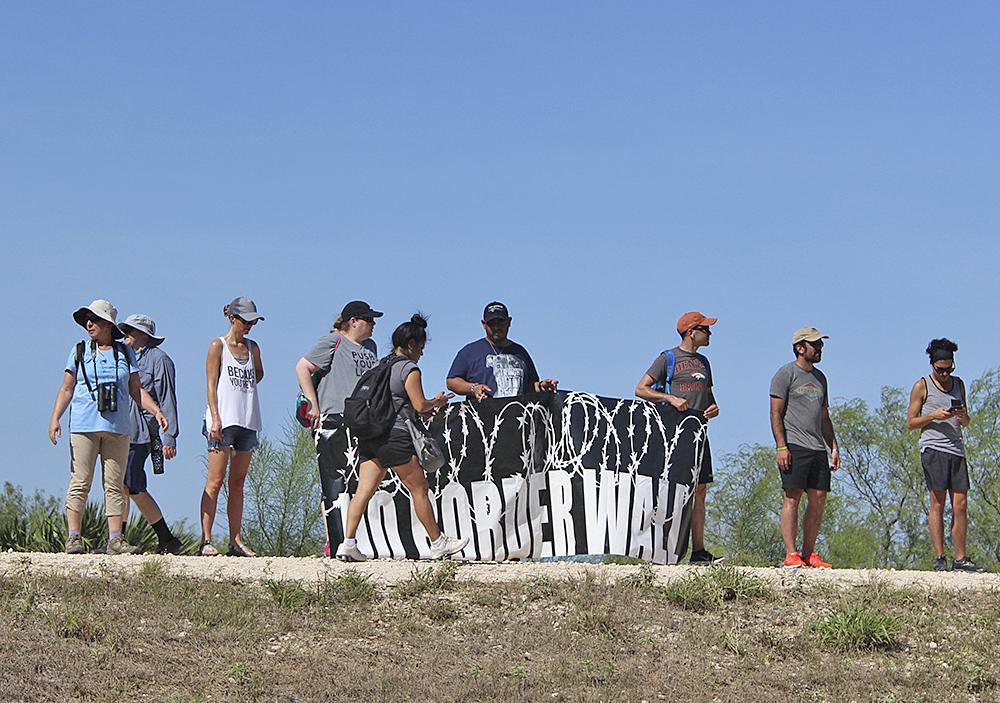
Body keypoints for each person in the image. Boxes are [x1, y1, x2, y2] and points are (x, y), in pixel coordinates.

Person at [338, 314, 469, 562]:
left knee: (363, 491)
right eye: (420, 347)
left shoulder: (381, 365)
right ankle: (438, 542)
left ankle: (348, 543)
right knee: (419, 487)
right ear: (411, 344)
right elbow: (420, 406)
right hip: (395, 436)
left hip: (371, 434)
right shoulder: (409, 369)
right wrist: (438, 402)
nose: (421, 353)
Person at [48, 300, 169, 555]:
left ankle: (116, 539)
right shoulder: (79, 350)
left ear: (108, 325)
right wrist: (55, 417)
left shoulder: (124, 353)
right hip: (83, 425)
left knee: (114, 483)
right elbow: (67, 388)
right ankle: (74, 538)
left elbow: (136, 389)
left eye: (94, 319)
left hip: (118, 427)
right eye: (87, 320)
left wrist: (156, 411)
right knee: (81, 480)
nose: (89, 324)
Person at [295, 301, 381, 557]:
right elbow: (303, 366)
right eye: (369, 319)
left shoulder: (371, 347)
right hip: (334, 418)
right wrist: (313, 404)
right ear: (353, 321)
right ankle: (335, 541)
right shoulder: (334, 341)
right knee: (335, 483)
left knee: (362, 482)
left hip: (364, 420)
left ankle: (356, 540)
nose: (373, 324)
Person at [635, 312, 721, 566]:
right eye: (705, 329)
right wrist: (670, 399)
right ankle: (660, 550)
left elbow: (709, 395)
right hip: (674, 437)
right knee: (669, 490)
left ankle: (698, 552)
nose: (710, 333)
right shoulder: (668, 358)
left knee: (700, 491)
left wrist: (714, 408)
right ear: (691, 332)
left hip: (700, 434)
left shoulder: (704, 362)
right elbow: (641, 389)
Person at [905, 339, 986, 573]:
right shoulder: (922, 386)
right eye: (941, 369)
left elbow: (967, 421)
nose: (945, 373)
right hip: (933, 449)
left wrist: (961, 416)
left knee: (960, 504)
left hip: (956, 448)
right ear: (932, 366)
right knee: (937, 503)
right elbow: (911, 423)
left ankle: (960, 559)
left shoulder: (959, 384)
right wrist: (932, 416)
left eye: (949, 369)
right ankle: (940, 556)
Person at [769, 327, 840, 569]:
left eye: (820, 344)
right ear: (800, 348)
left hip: (817, 446)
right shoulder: (785, 374)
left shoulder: (821, 378)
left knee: (819, 497)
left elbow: (824, 417)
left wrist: (834, 447)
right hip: (794, 445)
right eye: (814, 344)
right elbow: (775, 413)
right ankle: (791, 554)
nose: (819, 348)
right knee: (793, 496)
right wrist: (781, 446)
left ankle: (810, 554)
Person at [201, 297, 264, 557]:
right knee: (215, 481)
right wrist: (216, 417)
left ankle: (235, 541)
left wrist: (244, 390)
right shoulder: (218, 345)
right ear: (232, 318)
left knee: (237, 483)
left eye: (252, 321)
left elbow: (258, 372)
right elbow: (210, 383)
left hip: (247, 420)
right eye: (245, 320)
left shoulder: (252, 347)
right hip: (223, 420)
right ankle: (206, 540)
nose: (248, 325)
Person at [118, 314, 183, 555]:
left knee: (132, 483)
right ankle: (120, 538)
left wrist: (170, 437)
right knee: (123, 484)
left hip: (146, 431)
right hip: (123, 429)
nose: (125, 335)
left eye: (130, 331)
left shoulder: (160, 360)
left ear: (144, 335)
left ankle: (166, 538)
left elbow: (167, 397)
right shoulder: (123, 357)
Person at [447, 302, 558, 400]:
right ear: (484, 324)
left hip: (517, 418)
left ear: (509, 322)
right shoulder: (470, 352)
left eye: (501, 322)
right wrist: (474, 388)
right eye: (491, 323)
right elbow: (451, 382)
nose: (496, 327)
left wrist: (541, 386)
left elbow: (528, 386)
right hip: (484, 419)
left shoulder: (520, 352)